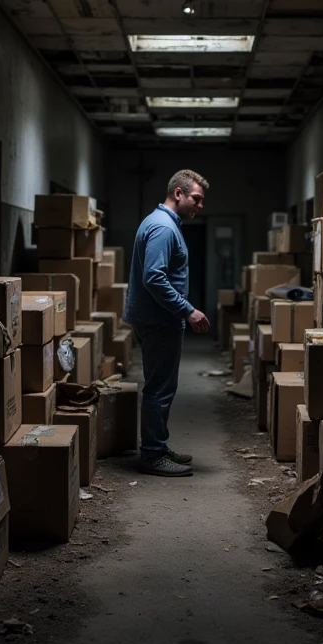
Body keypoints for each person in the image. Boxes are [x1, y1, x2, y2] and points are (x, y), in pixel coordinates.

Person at [123, 169, 211, 476]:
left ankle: (157, 445)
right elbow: (154, 278)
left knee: (162, 386)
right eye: (196, 199)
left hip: (158, 318)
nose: (200, 205)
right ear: (178, 193)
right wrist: (188, 310)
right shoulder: (163, 228)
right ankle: (152, 454)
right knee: (159, 389)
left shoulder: (162, 223)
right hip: (160, 320)